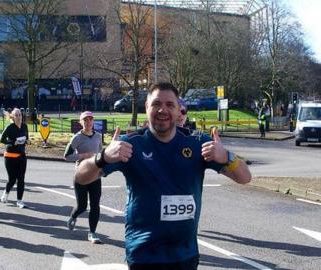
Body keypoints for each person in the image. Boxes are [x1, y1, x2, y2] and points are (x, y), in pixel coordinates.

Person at [74, 82, 251, 269]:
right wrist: (103, 157)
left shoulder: (198, 144)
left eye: (169, 105)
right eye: (156, 104)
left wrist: (227, 157)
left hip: (185, 255)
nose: (162, 110)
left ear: (178, 110)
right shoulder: (131, 145)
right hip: (144, 255)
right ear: (147, 108)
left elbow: (245, 177)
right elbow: (80, 177)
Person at [64, 111, 103, 244]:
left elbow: (100, 154)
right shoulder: (77, 138)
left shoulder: (98, 136)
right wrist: (83, 155)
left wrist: (102, 167)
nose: (88, 122)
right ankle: (73, 216)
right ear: (81, 122)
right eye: (85, 120)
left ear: (93, 121)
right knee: (82, 206)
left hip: (95, 174)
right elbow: (67, 156)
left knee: (95, 205)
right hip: (81, 175)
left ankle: (92, 233)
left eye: (90, 120)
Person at [0, 108, 29, 208]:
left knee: (21, 179)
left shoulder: (24, 126)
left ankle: (19, 200)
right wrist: (13, 142)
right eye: (16, 115)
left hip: (21, 156)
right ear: (13, 117)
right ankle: (6, 193)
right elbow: (2, 139)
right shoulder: (10, 127)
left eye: (20, 115)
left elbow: (26, 138)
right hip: (10, 156)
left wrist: (27, 141)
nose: (18, 117)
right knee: (12, 179)